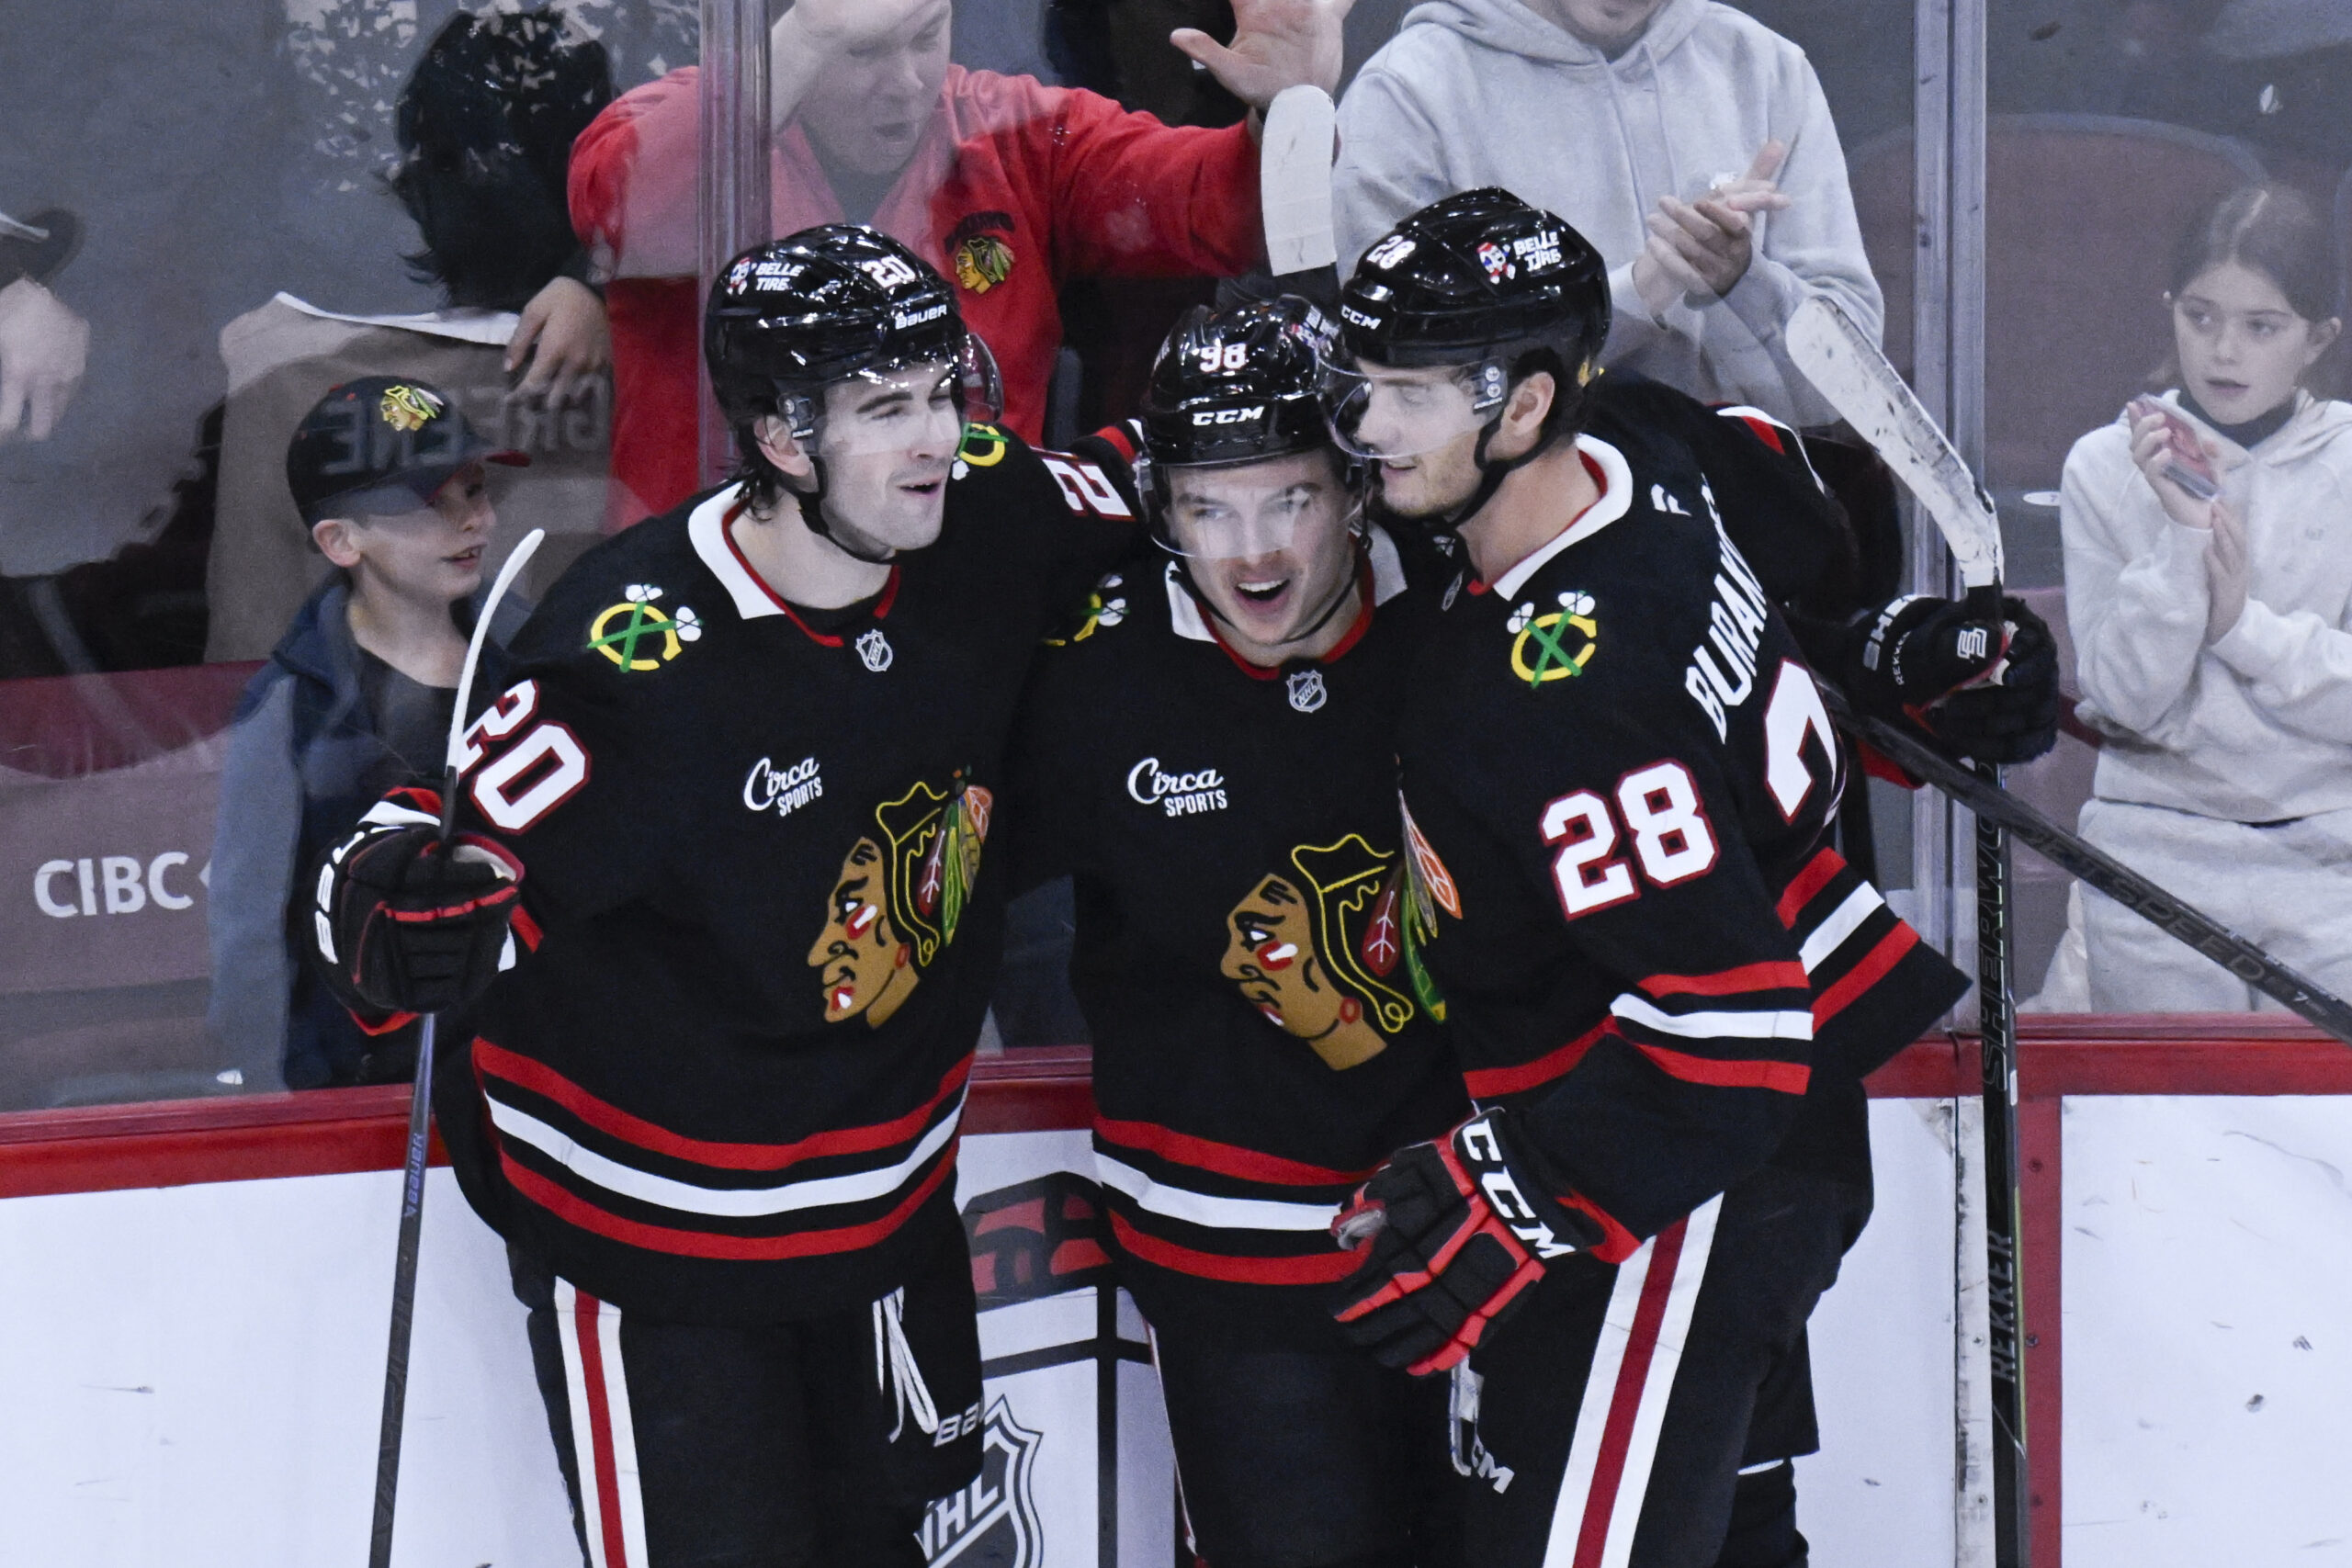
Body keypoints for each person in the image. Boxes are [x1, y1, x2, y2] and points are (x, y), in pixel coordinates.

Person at [305, 227, 1135, 1567]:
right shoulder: (639, 653)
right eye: (884, 410)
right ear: (783, 438)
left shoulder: (984, 506)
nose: (936, 439)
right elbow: (418, 848)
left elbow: (1150, 481)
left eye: (941, 391)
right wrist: (398, 905)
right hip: (656, 1249)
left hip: (880, 1210)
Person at [1319, 190, 1975, 1568]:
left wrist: (1509, 1192)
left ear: (1526, 404)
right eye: (1363, 381)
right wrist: (1893, 659)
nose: (1367, 428)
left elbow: (1723, 1040)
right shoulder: (1649, 453)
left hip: (1683, 1184)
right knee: (1730, 1531)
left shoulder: (1563, 690)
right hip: (1762, 1144)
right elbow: (1786, 622)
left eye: (1410, 394)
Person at [1006, 299, 1469, 1567]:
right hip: (1229, 1255)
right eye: (1210, 508)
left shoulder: (1460, 603)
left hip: (1464, 1225)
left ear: (1358, 485)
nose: (1249, 552)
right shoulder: (1091, 668)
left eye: (1289, 501)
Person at [569, 0, 1348, 526]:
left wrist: (1285, 113)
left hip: (963, 604)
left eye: (925, 35)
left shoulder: (1019, 134)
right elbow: (627, 219)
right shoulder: (670, 128)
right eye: (864, 50)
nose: (906, 82)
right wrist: (793, 50)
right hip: (719, 615)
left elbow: (1222, 212)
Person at [204, 9, 622, 662]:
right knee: (280, 635)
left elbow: (673, 146)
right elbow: (217, 115)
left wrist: (595, 277)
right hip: (311, 325)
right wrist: (225, 297)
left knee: (538, 621)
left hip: (533, 349)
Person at [2061, 182, 2352, 1012]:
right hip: (2155, 851)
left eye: (2261, 327)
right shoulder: (2105, 464)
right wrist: (2182, 534)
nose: (2224, 350)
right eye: (2201, 316)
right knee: (2161, 1131)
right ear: (2170, 312)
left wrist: (2239, 628)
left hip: (2330, 858)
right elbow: (2123, 699)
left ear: (2316, 338)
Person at [1329, 0, 1880, 425]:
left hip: (1741, 533)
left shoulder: (1767, 69)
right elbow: (1403, 393)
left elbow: (1854, 396)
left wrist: (1744, 281)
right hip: (1504, 552)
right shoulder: (1408, 91)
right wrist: (1640, 293)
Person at [205, 377, 526, 1091]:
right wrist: (273, 1096)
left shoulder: (540, 664)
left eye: (475, 490)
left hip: (535, 1077)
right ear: (340, 539)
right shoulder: (290, 712)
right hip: (365, 1089)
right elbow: (249, 928)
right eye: (428, 502)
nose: (473, 521)